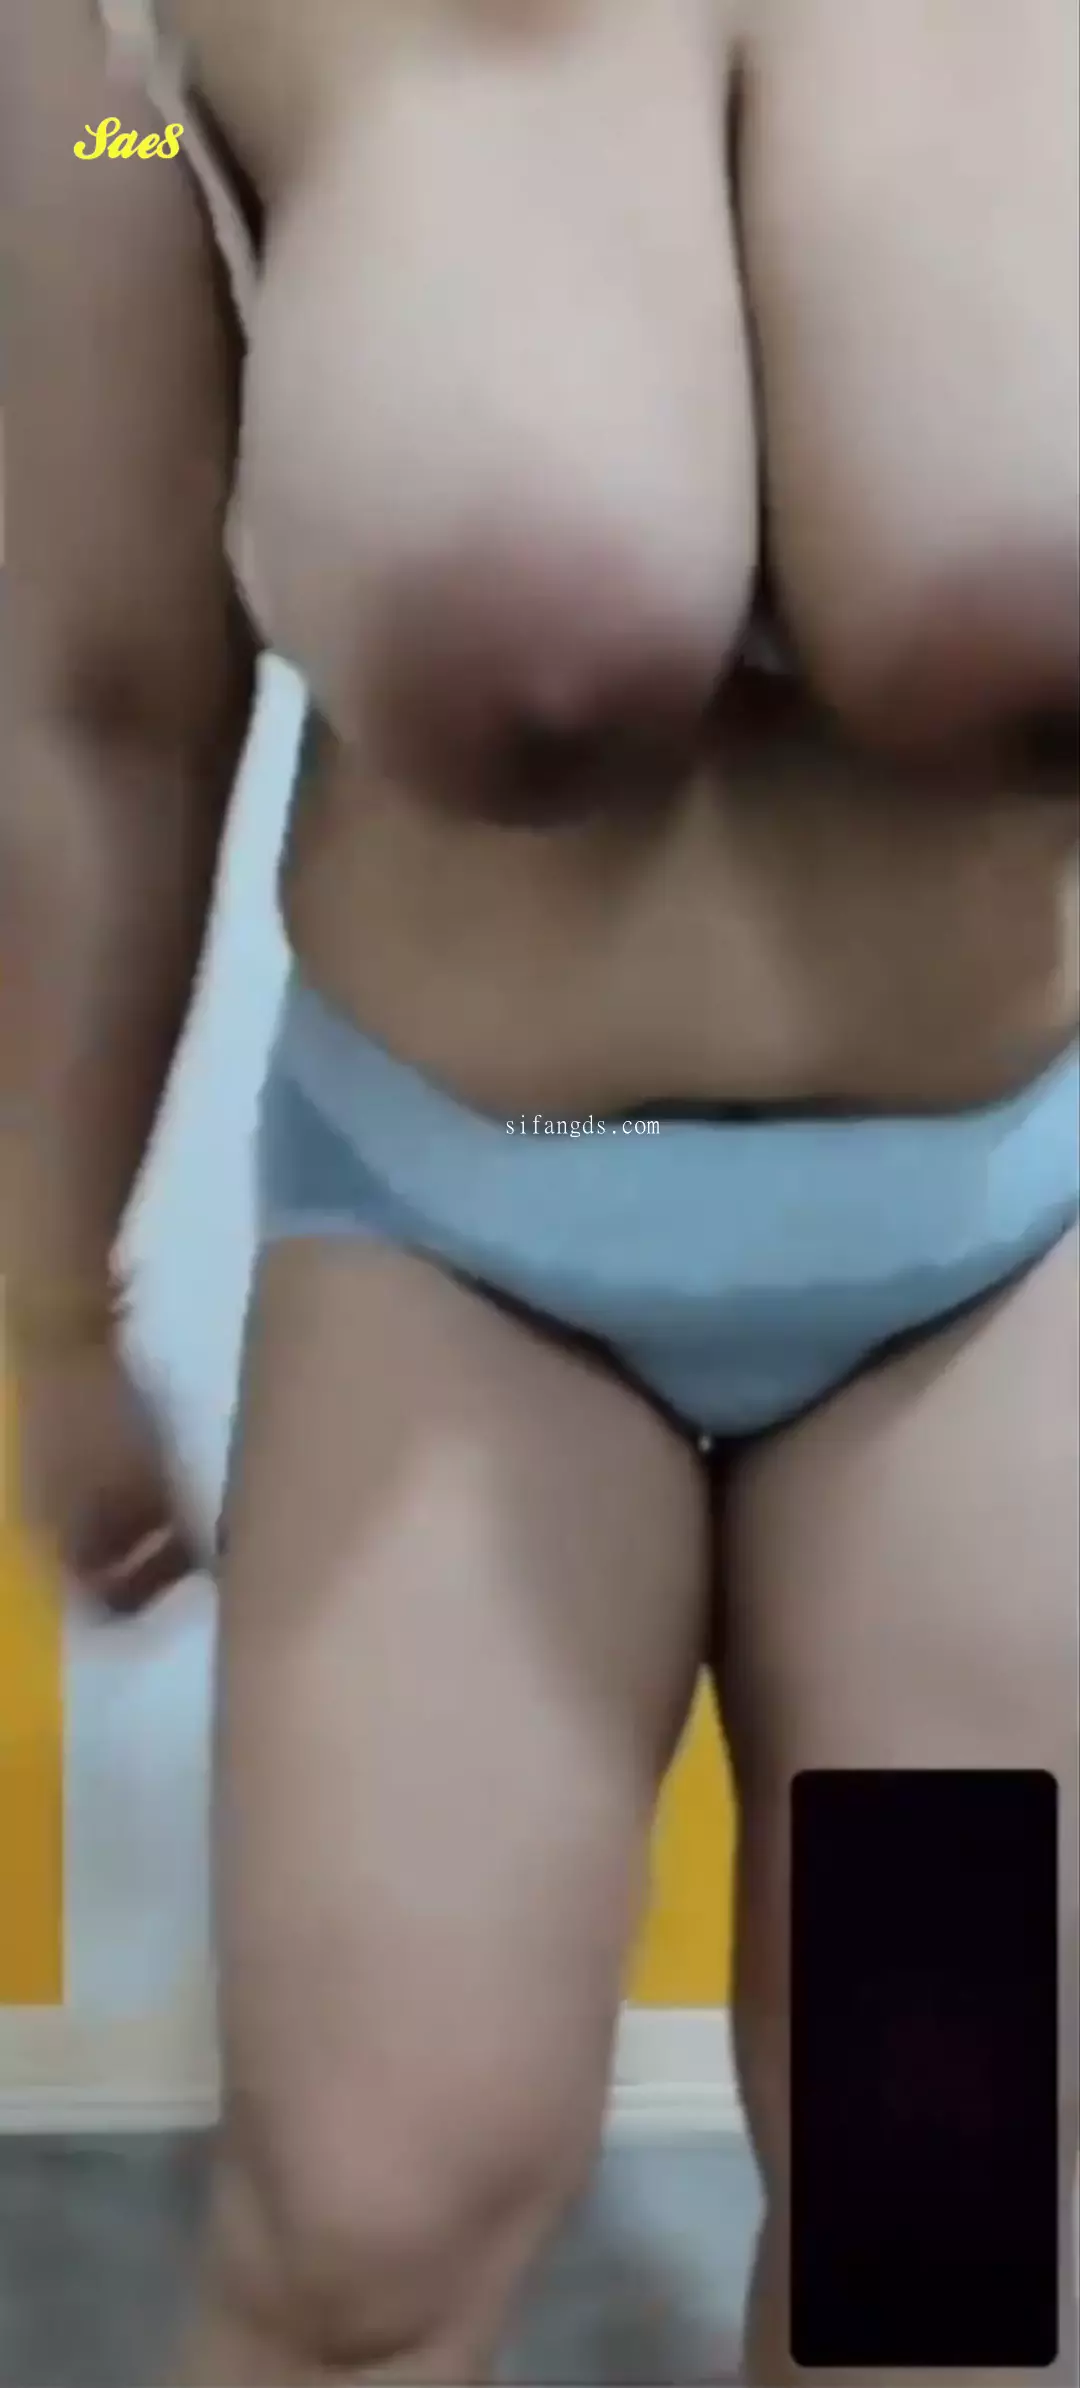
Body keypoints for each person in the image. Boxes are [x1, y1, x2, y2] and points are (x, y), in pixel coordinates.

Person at [2, 1, 1077, 2381]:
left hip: (980, 1282)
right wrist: (51, 1310)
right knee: (368, 2243)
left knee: (927, 2238)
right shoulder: (117, 43)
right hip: (464, 1253)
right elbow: (91, 696)